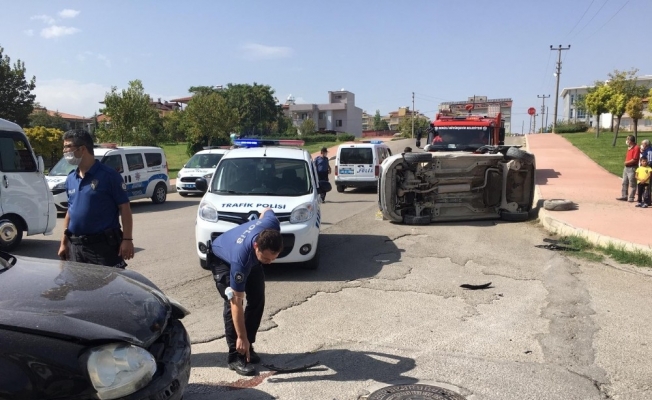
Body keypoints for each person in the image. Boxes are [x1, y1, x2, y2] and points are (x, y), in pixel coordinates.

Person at [208, 208, 283, 376]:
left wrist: (246, 338)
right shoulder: (241, 260)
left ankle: (248, 345)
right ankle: (236, 356)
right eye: (266, 258)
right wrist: (241, 337)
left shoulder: (272, 224)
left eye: (274, 258)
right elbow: (236, 303)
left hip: (250, 257)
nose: (269, 263)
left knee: (257, 298)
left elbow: (267, 211)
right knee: (231, 303)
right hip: (223, 259)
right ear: (256, 246)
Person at [57, 129, 134, 268]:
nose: (64, 151)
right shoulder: (71, 178)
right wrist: (64, 242)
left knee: (108, 282)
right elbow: (70, 211)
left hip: (102, 247)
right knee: (77, 282)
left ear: (82, 149)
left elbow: (125, 208)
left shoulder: (109, 176)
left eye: (68, 146)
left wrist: (127, 239)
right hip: (76, 247)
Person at [616, 135, 640, 202]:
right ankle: (624, 196)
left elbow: (635, 159)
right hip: (626, 167)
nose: (626, 141)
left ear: (630, 140)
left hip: (632, 167)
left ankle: (631, 197)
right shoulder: (629, 147)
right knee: (624, 182)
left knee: (632, 183)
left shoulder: (636, 148)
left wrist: (627, 162)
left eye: (627, 139)